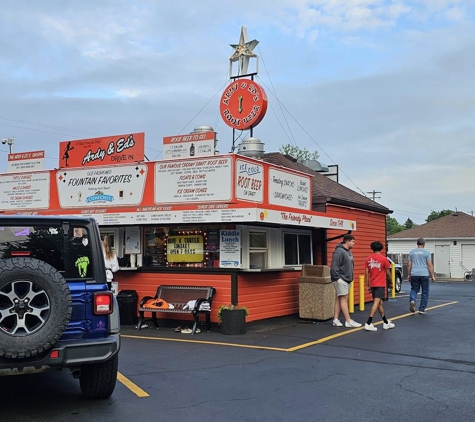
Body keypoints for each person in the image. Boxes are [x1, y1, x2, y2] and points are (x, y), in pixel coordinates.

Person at [330, 234, 362, 328]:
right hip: (341, 279)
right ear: (348, 241)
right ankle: (348, 321)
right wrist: (338, 278)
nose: (354, 243)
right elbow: (334, 266)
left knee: (338, 298)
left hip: (347, 279)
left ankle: (335, 319)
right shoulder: (339, 251)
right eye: (353, 241)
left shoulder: (348, 252)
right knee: (344, 298)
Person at [363, 241, 396, 331]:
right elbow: (388, 273)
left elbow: (366, 273)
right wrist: (392, 283)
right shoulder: (384, 259)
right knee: (376, 302)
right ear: (381, 248)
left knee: (380, 303)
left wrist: (367, 285)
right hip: (380, 283)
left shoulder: (368, 259)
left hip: (373, 283)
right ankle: (368, 323)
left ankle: (385, 322)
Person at [408, 237, 435, 314]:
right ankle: (422, 309)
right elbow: (430, 265)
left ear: (417, 243)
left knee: (414, 289)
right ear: (424, 244)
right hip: (424, 274)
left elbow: (409, 264)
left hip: (414, 273)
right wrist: (432, 275)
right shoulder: (427, 253)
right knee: (425, 292)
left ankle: (412, 300)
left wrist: (409, 274)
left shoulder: (411, 252)